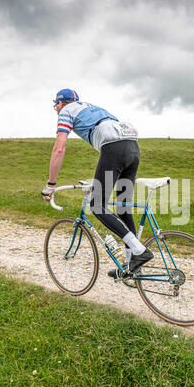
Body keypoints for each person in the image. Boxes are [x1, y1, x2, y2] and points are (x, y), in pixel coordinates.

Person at [41, 88, 153, 276]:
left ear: (60, 103)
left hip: (114, 148)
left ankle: (140, 252)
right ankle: (129, 266)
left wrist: (51, 184)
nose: (56, 110)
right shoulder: (92, 108)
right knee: (123, 207)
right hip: (132, 146)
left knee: (97, 205)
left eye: (56, 106)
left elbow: (59, 149)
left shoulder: (67, 111)